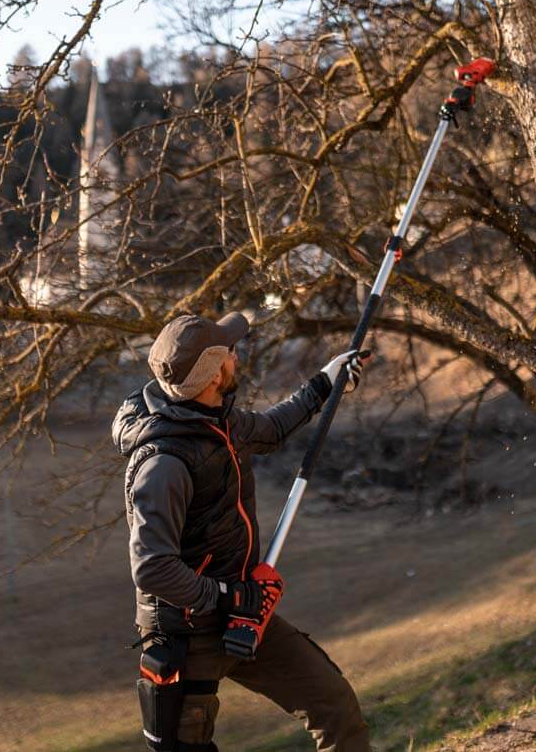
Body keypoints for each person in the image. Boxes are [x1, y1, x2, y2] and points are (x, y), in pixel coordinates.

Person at [113, 311, 372, 752]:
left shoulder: (215, 420)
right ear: (215, 373)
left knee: (334, 706)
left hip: (243, 615)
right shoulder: (163, 465)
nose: (237, 355)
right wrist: (225, 595)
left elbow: (270, 429)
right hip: (186, 634)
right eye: (230, 351)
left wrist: (324, 385)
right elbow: (153, 569)